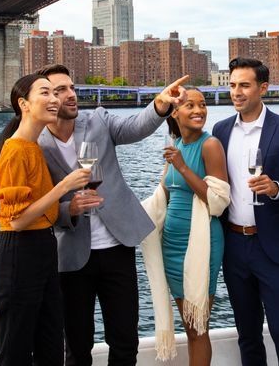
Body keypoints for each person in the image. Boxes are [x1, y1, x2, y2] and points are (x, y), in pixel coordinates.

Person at [36, 64, 188, 366]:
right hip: (71, 256)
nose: (69, 95)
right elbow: (39, 203)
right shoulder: (36, 144)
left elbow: (134, 127)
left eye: (70, 87)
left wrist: (160, 103)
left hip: (117, 247)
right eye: (59, 90)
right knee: (77, 347)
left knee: (125, 341)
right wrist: (70, 209)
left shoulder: (97, 120)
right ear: (45, 100)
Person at [212, 57, 279, 366]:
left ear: (263, 88)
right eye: (232, 85)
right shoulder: (220, 130)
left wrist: (276, 189)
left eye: (244, 85)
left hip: (273, 248)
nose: (236, 92)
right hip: (234, 245)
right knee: (247, 333)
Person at [0, 73, 91, 366]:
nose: (55, 99)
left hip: (43, 251)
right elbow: (17, 220)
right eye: (45, 93)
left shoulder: (32, 147)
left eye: (54, 93)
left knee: (51, 350)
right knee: (15, 354)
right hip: (19, 254)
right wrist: (64, 187)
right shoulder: (16, 150)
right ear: (24, 104)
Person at [142, 88, 230, 365]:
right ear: (175, 112)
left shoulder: (210, 145)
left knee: (198, 326)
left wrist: (182, 167)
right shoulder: (176, 144)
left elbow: (217, 202)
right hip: (172, 246)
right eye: (189, 105)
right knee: (188, 325)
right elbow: (163, 197)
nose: (198, 110)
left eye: (202, 105)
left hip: (201, 245)